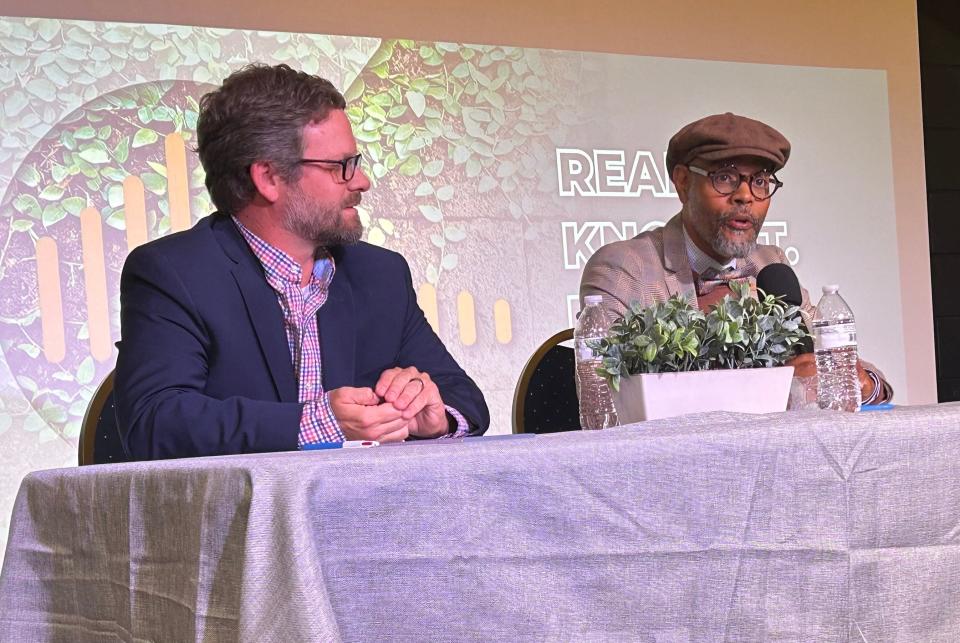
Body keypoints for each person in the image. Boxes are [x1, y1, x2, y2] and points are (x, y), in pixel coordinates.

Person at [115, 63, 489, 460]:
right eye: (340, 167)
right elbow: (154, 422)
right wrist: (316, 424)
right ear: (268, 178)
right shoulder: (174, 274)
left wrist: (433, 416)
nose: (361, 182)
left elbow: (464, 398)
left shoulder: (380, 275)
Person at [579, 112, 891, 403]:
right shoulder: (623, 270)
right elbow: (605, 399)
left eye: (759, 181)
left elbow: (833, 362)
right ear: (683, 182)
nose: (745, 196)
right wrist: (776, 385)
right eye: (725, 177)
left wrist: (864, 384)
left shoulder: (770, 264)